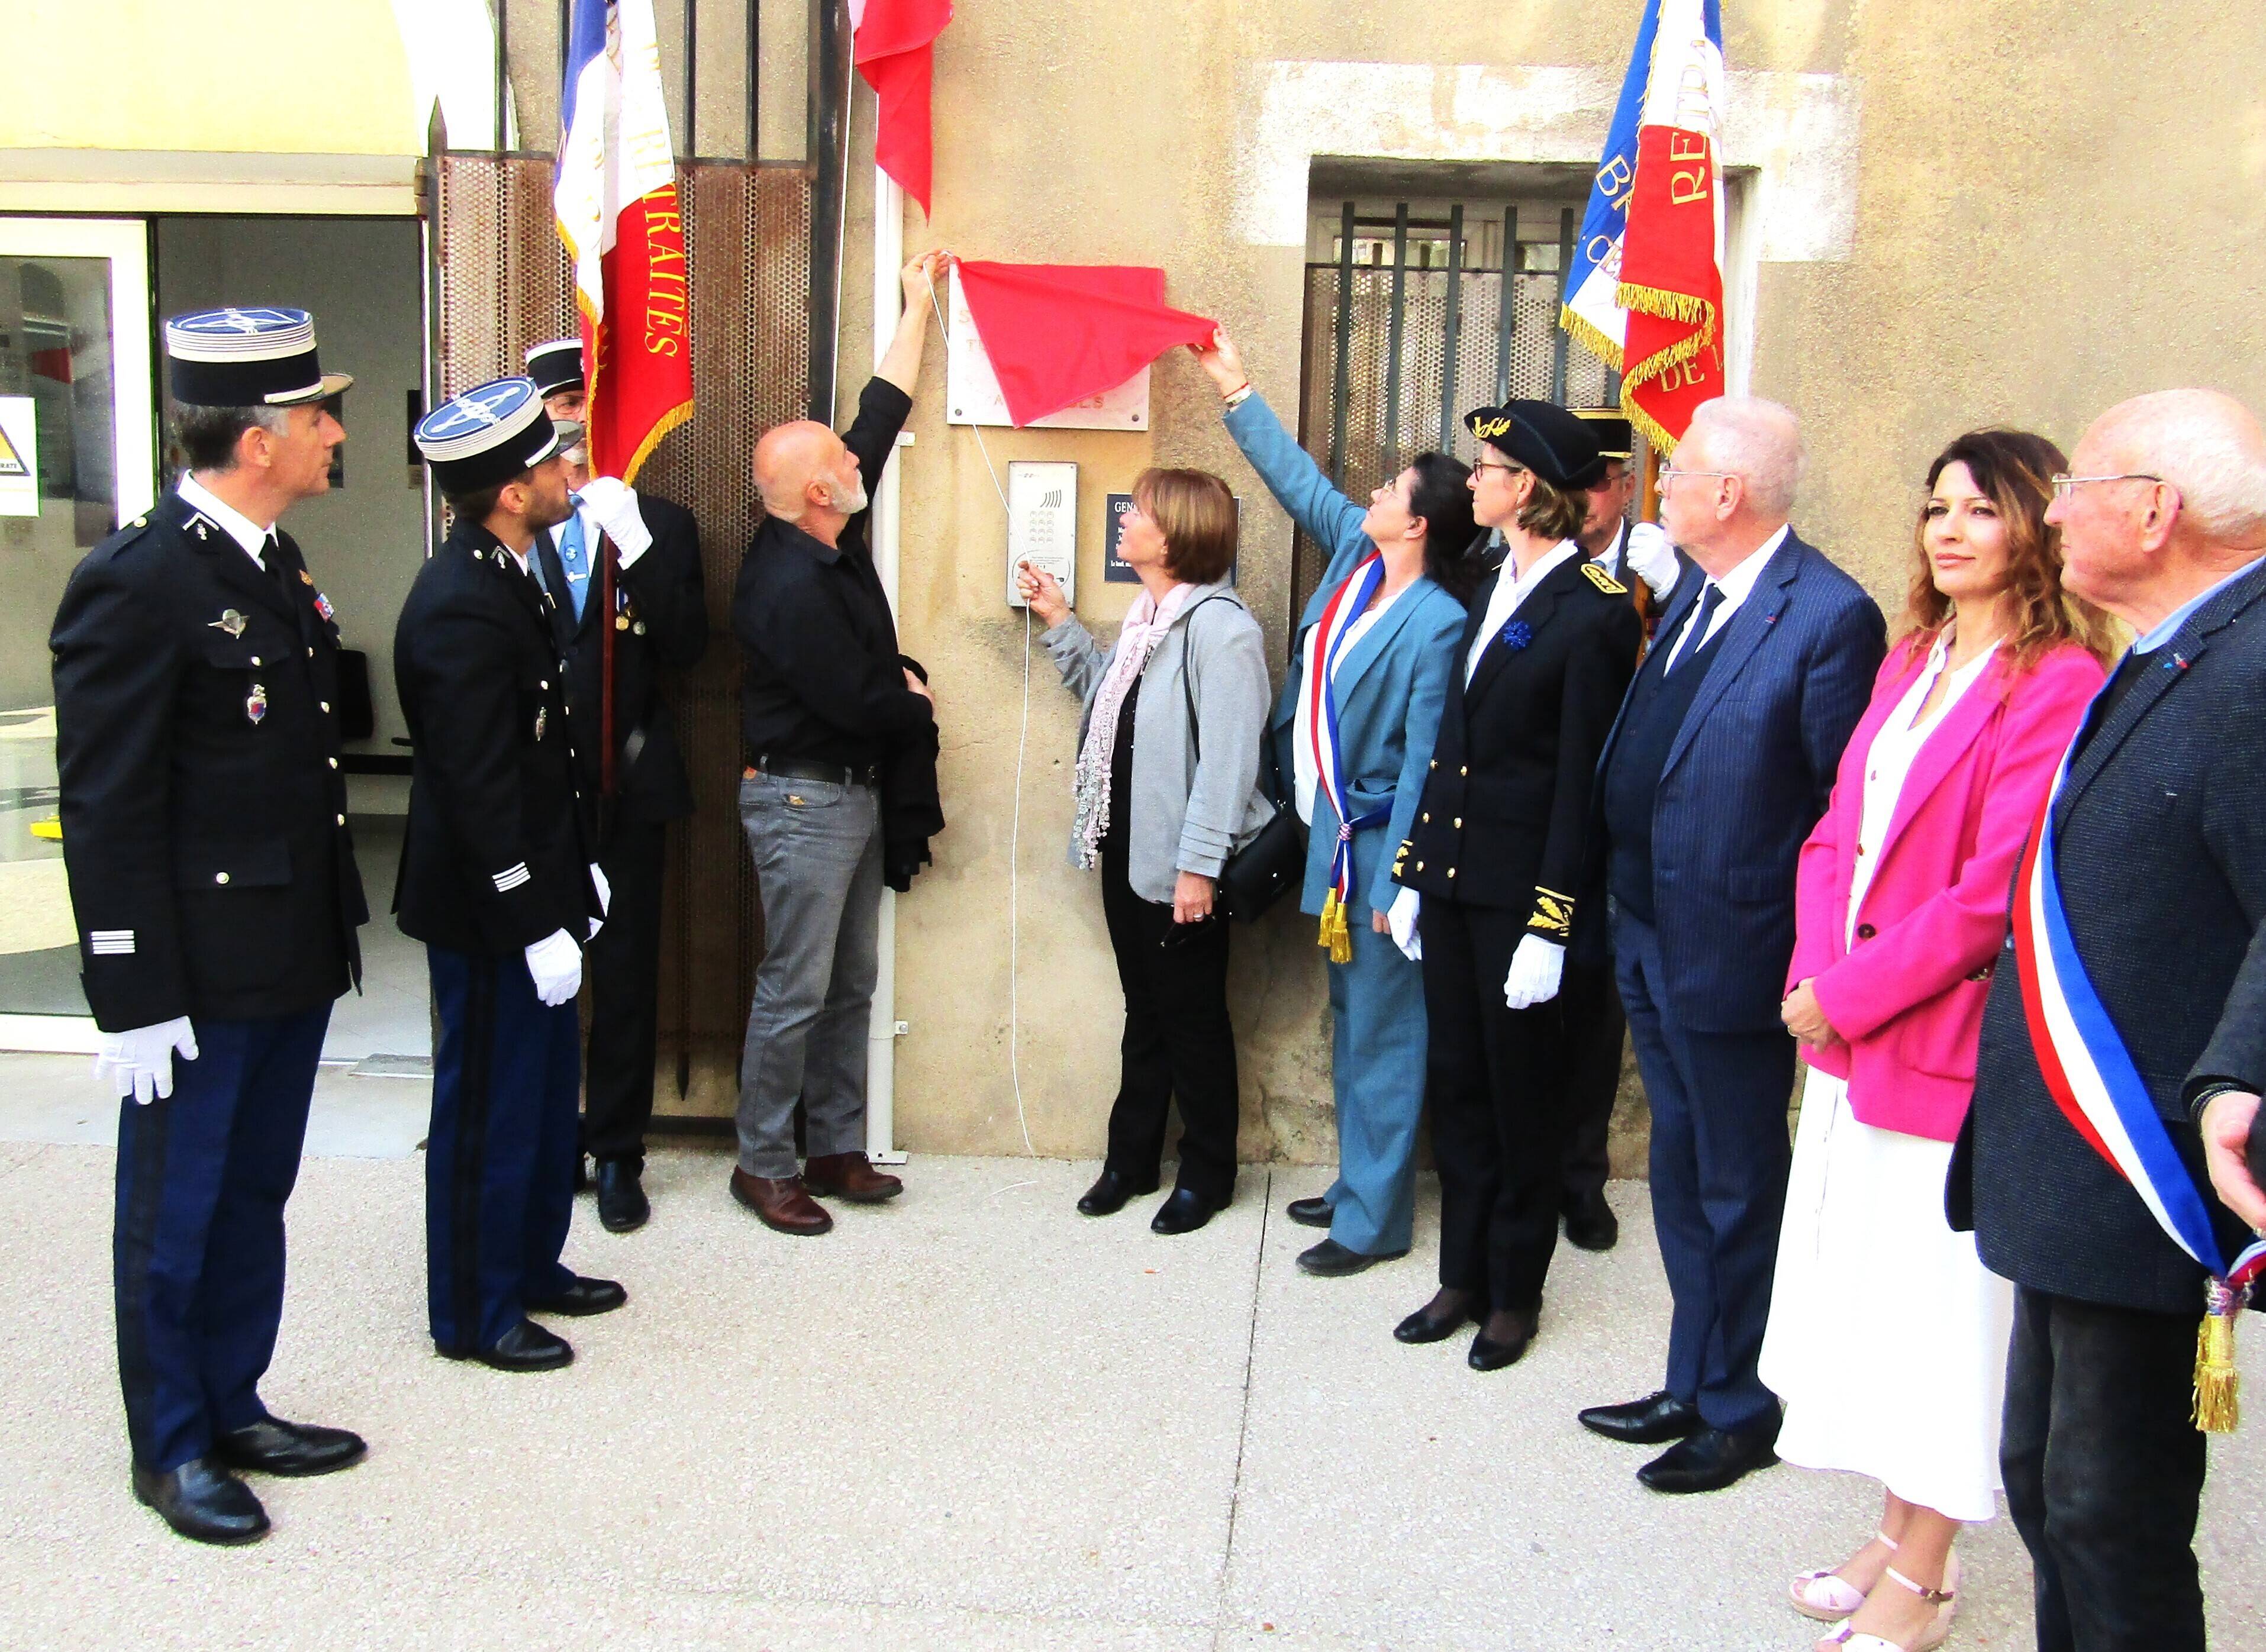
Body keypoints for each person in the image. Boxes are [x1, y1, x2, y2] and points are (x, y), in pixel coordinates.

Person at [1761, 431, 2110, 1652]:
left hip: (1945, 1046)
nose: (1947, 528)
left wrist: (1848, 992)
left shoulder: (2054, 676)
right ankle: (1893, 1520)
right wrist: (1814, 972)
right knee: (1872, 1300)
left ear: (2036, 525)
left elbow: (1989, 889)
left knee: (1941, 1317)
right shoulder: (1911, 660)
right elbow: (1833, 832)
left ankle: (1929, 1571)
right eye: (1933, 507)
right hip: (1853, 1029)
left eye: (1978, 508)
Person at [1951, 389, 2266, 1652]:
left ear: (2151, 511)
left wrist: (2242, 1071)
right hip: (2076, 1176)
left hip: (2149, 1163)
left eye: (2075, 484)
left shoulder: (2251, 664)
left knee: (2107, 1510)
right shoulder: (2179, 648)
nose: (2056, 511)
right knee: (2045, 1483)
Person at [50, 307, 369, 1545]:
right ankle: (171, 1444)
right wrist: (129, 987)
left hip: (283, 946)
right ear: (256, 438)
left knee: (253, 1190)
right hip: (194, 966)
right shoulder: (140, 578)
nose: (336, 433)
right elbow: (109, 799)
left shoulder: (269, 560)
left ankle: (234, 1400)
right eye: (317, 417)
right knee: (176, 1212)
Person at [1578, 397, 1885, 1493]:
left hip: (1736, 948)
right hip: (1649, 930)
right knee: (1680, 1164)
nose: (1658, 491)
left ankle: (1741, 1406)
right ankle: (1691, 1374)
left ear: (1728, 494)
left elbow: (1834, 813)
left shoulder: (1826, 616)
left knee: (1739, 1180)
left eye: (1677, 477)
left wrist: (1811, 966)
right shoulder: (1698, 596)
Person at [1190, 325, 1471, 1275]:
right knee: (1352, 1023)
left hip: (1383, 851)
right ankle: (1360, 1184)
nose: (1373, 495)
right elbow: (1296, 481)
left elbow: (1432, 763)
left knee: (1388, 1034)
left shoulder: (1437, 622)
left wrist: (1406, 883)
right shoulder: (1358, 560)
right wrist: (1236, 389)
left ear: (1420, 524)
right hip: (1330, 841)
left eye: (1391, 491)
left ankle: (1376, 1221)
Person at [1388, 402, 1643, 1368]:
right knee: (1457, 1087)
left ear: (1528, 488)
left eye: (1490, 466)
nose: (1476, 478)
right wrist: (1414, 872)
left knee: (1519, 1096)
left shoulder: (1593, 611)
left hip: (1519, 900)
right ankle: (1462, 1275)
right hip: (1453, 885)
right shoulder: (1484, 582)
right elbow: (1451, 745)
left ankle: (1514, 1294)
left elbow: (1581, 781)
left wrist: (1551, 921)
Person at [397, 377, 622, 1373]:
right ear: (507, 490)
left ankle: (531, 1265)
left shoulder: (511, 569)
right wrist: (533, 912)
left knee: (539, 1096)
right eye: (549, 463)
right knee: (487, 1104)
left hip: (541, 887)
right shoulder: (458, 602)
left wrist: (580, 878)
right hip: (491, 908)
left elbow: (548, 757)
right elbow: (479, 784)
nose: (566, 472)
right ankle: (472, 1311)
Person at [729, 251, 946, 1235]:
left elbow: (878, 416)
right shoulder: (786, 587)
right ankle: (765, 1164)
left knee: (848, 983)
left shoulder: (825, 538)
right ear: (819, 493)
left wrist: (917, 306)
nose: (858, 464)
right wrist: (912, 694)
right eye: (843, 468)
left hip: (844, 795)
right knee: (797, 987)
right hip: (804, 799)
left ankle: (834, 1145)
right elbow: (862, 703)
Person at [1018, 469, 1274, 1235]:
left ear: (1178, 535)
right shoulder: (1147, 621)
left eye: (1142, 512)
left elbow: (1230, 765)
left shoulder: (1221, 629)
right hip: (1126, 847)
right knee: (1146, 1012)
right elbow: (1109, 698)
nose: (1125, 520)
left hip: (1177, 863)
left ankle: (1207, 1173)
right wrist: (1061, 620)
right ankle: (1130, 1161)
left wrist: (1196, 868)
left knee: (1192, 1018)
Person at [524, 389, 708, 1235]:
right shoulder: (511, 516)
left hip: (628, 779)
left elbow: (688, 647)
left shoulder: (659, 522)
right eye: (560, 409)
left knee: (627, 974)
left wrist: (634, 545)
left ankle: (618, 1149)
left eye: (585, 407)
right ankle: (547, 1134)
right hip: (534, 791)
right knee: (541, 973)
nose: (573, 427)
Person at [1557, 409, 1684, 1253]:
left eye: (1601, 482)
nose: (1587, 497)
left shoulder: (1666, 578)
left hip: (1620, 827)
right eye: (1573, 483)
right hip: (1542, 816)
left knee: (1594, 1016)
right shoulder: (1527, 568)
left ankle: (1579, 1177)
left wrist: (1674, 595)